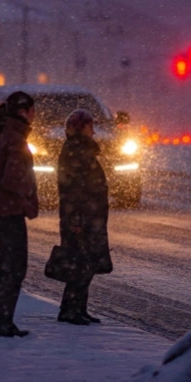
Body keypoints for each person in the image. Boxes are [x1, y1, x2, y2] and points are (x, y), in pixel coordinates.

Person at [0, 91, 38, 337]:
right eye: (32, 110)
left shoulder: (4, 135)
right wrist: (27, 195)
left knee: (4, 265)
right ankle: (4, 320)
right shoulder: (15, 139)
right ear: (23, 112)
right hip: (9, 211)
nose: (35, 115)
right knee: (14, 266)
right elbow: (12, 179)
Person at [55, 109, 113, 325]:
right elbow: (72, 189)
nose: (94, 131)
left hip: (89, 216)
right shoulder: (75, 151)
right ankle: (70, 310)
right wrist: (76, 220)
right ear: (81, 128)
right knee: (80, 263)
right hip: (81, 218)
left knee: (86, 263)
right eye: (90, 126)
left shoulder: (81, 149)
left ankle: (78, 308)